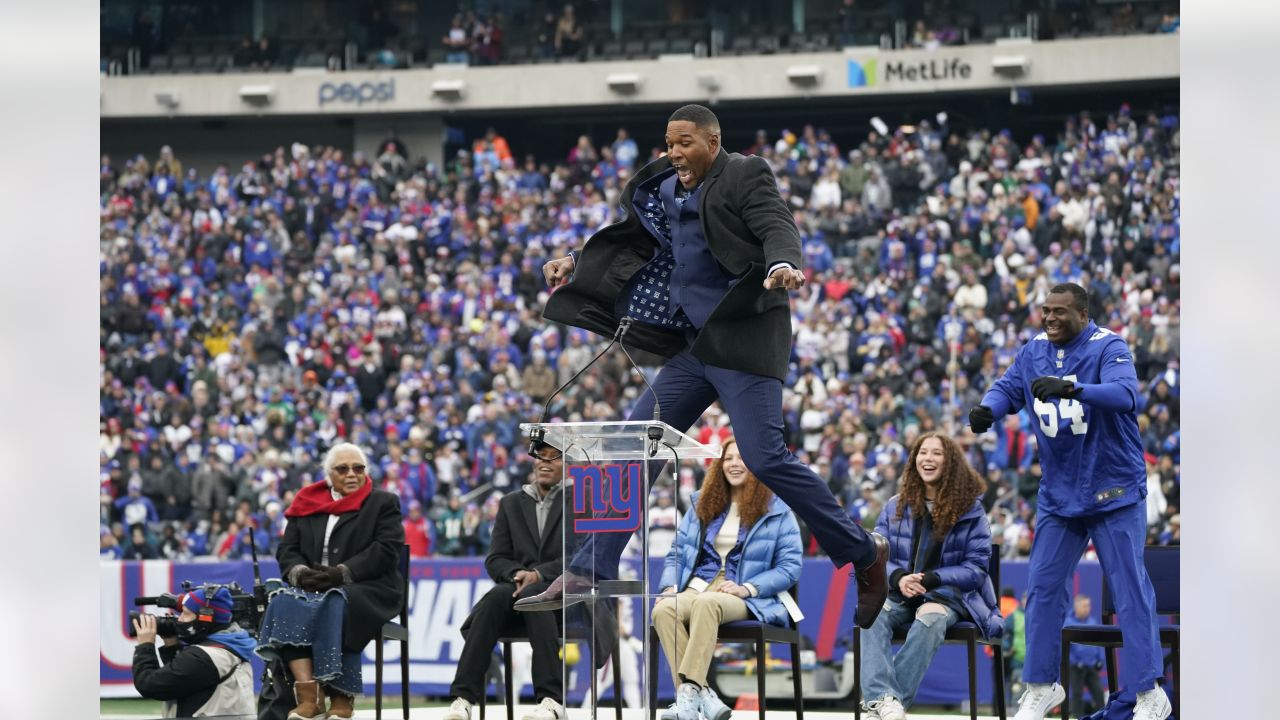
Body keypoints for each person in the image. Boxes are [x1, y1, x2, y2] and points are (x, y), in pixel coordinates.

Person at [522, 103, 888, 631]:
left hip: (741, 341)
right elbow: (633, 239)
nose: (673, 152)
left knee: (764, 457)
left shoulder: (745, 173)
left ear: (712, 142)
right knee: (634, 441)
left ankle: (861, 551)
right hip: (695, 347)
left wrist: (784, 263)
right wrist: (576, 263)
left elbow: (776, 226)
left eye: (684, 142)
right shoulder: (669, 189)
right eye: (669, 143)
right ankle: (590, 569)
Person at [969, 282, 1170, 720]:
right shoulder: (1033, 349)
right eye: (1045, 310)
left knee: (1129, 588)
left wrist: (1073, 388)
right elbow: (1008, 387)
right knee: (1041, 589)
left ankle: (1149, 691)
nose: (1050, 318)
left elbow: (1126, 395)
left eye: (1060, 311)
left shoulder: (1107, 344)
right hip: (1060, 495)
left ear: (1083, 314)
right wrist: (990, 407)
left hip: (1113, 489)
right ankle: (1043, 685)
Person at [652, 438, 803, 720]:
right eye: (728, 458)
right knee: (663, 609)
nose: (734, 464)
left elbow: (790, 567)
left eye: (742, 458)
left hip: (748, 594)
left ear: (756, 464)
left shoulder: (778, 509)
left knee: (707, 603)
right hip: (698, 585)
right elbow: (676, 552)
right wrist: (671, 585)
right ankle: (703, 694)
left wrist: (747, 588)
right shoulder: (702, 502)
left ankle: (686, 696)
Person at [255, 442, 405, 720]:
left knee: (336, 601)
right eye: (343, 469)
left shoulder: (382, 502)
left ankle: (340, 695)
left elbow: (386, 549)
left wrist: (341, 573)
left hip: (369, 588)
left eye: (358, 468)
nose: (352, 474)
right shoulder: (307, 501)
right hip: (313, 587)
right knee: (284, 600)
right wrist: (299, 573)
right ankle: (309, 697)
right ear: (328, 475)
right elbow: (288, 549)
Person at [858, 433, 1003, 720]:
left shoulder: (971, 510)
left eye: (937, 453)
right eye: (923, 453)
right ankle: (886, 701)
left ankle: (882, 703)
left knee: (930, 617)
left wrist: (932, 579)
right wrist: (899, 577)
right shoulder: (894, 506)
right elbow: (875, 556)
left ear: (950, 463)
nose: (928, 459)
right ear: (914, 461)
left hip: (949, 595)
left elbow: (976, 569)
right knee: (871, 615)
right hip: (901, 592)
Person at [443, 440, 568, 720]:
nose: (545, 462)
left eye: (554, 457)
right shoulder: (510, 503)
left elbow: (582, 556)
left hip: (566, 595)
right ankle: (463, 698)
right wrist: (517, 574)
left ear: (568, 464)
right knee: (492, 601)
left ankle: (552, 700)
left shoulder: (580, 501)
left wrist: (539, 574)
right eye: (540, 456)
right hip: (518, 589)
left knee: (534, 595)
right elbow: (496, 558)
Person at [131, 586, 257, 717]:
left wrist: (145, 646)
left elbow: (150, 685)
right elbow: (182, 681)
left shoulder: (204, 657)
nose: (179, 619)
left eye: (185, 613)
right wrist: (171, 644)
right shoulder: (233, 645)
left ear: (205, 618)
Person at [1067, 594, 1107, 714]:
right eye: (1084, 606)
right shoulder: (1069, 623)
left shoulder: (1092, 622)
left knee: (1099, 692)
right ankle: (1077, 716)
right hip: (1076, 667)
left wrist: (1100, 659)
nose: (1087, 608)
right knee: (1077, 693)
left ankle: (1100, 715)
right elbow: (1066, 647)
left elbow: (1099, 643)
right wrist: (1075, 661)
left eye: (1088, 605)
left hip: (1091, 665)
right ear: (1076, 607)